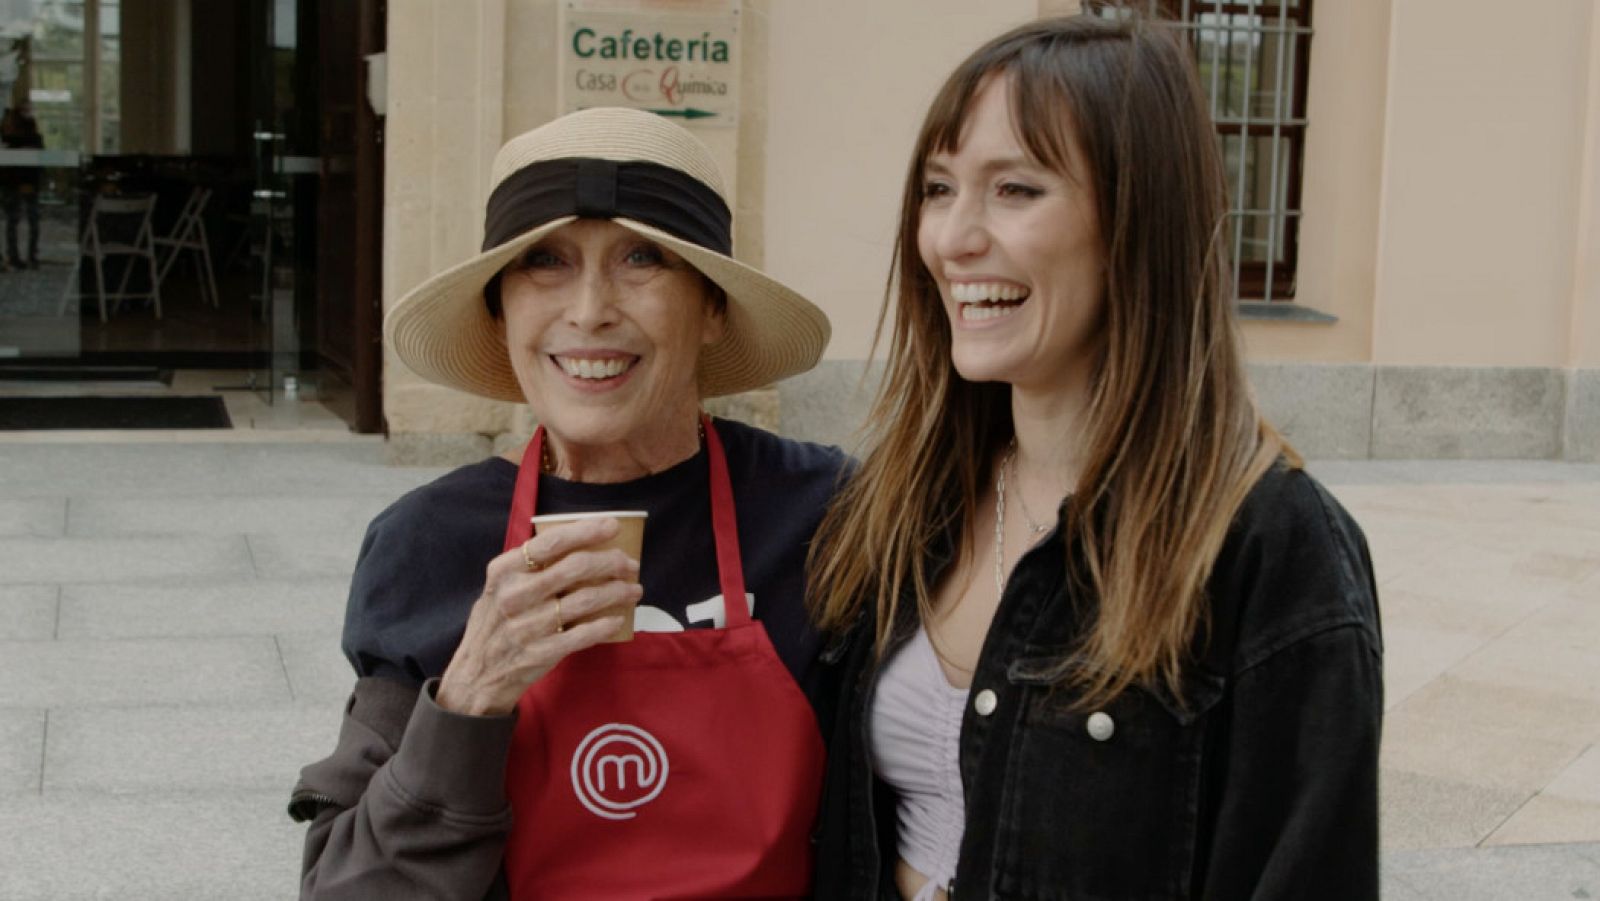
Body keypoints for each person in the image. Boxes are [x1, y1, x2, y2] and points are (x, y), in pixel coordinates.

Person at [807, 14, 1381, 901]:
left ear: (1136, 221)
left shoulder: (1270, 547)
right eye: (937, 187)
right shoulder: (907, 499)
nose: (952, 239)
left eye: (1015, 190)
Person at [288, 107, 846, 900]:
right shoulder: (429, 543)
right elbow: (353, 887)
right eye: (546, 260)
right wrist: (469, 695)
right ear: (499, 308)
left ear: (714, 307)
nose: (589, 310)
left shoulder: (829, 514)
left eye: (641, 258)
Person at [1, 101, 43, 270]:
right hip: (22, 182)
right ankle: (28, 256)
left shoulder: (11, 139)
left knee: (15, 220)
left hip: (17, 183)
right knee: (26, 220)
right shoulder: (32, 138)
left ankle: (17, 256)